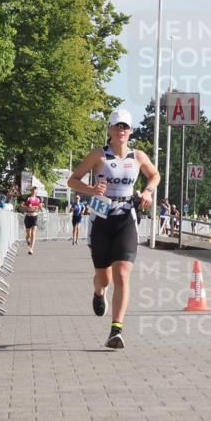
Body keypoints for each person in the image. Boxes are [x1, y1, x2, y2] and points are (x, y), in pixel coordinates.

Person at [67, 107, 159, 349]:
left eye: (125, 127)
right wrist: (91, 190)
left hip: (126, 219)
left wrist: (148, 191)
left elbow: (155, 175)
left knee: (122, 274)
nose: (121, 130)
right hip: (101, 220)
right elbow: (72, 180)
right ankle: (98, 293)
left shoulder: (137, 157)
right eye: (117, 126)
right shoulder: (99, 155)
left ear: (130, 132)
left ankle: (116, 330)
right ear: (109, 129)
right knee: (104, 278)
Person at [22, 185, 42, 254]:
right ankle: (28, 241)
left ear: (36, 191)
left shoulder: (39, 198)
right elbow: (21, 205)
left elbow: (41, 206)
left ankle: (31, 249)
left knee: (33, 233)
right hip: (28, 216)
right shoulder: (27, 198)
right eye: (33, 190)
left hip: (35, 216)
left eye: (35, 190)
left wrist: (37, 207)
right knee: (28, 234)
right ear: (31, 191)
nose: (34, 191)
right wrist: (27, 207)